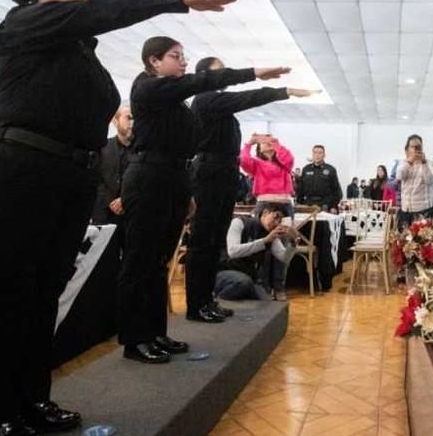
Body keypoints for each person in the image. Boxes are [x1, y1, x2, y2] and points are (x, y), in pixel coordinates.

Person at [0, 0, 237, 436]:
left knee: (43, 297)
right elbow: (99, 11)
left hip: (68, 176)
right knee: (4, 297)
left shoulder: (74, 50)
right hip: (21, 172)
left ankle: (32, 398)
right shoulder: (22, 24)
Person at [119, 36, 289, 363]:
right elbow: (205, 80)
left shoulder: (174, 99)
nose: (183, 62)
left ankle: (155, 333)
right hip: (149, 177)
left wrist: (186, 190)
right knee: (140, 261)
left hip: (172, 177)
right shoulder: (148, 88)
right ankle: (134, 338)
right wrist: (255, 73)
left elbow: (185, 147)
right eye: (175, 56)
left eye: (184, 56)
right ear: (154, 61)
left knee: (158, 262)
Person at [187, 57, 311, 324]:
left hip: (221, 173)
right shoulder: (206, 99)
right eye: (221, 71)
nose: (227, 75)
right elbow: (247, 98)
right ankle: (197, 303)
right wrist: (283, 92)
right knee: (204, 242)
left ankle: (206, 300)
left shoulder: (214, 103)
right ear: (206, 75)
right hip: (209, 174)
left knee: (214, 241)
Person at [240, 133, 296, 300]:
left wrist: (276, 143)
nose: (267, 145)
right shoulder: (256, 164)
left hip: (285, 205)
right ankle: (264, 286)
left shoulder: (285, 164)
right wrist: (249, 143)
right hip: (264, 205)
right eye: (263, 143)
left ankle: (279, 286)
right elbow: (243, 160)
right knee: (263, 246)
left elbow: (289, 159)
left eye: (270, 142)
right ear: (259, 148)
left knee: (283, 246)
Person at [215, 203, 295, 301]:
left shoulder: (270, 235)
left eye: (280, 221)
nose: (276, 223)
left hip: (250, 276)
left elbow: (284, 258)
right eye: (276, 217)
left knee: (269, 303)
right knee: (242, 282)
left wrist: (293, 243)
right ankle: (217, 301)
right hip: (224, 270)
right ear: (265, 213)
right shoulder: (240, 222)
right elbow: (233, 252)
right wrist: (264, 241)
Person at [91, 106, 132, 226]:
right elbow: (95, 178)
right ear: (115, 121)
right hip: (102, 216)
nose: (132, 123)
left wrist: (125, 200)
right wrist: (110, 201)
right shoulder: (102, 147)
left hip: (131, 217)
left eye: (135, 119)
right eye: (128, 118)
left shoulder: (142, 152)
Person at [396, 134, 433, 229]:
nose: (416, 149)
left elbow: (430, 181)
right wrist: (410, 162)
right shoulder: (403, 163)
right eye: (413, 146)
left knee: (423, 242)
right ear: (407, 150)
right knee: (405, 241)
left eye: (418, 146)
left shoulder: (428, 163)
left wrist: (423, 163)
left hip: (424, 210)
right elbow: (399, 176)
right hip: (406, 210)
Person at [297, 145, 342, 212]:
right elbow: (300, 189)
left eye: (320, 153)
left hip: (325, 205)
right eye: (315, 153)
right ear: (312, 154)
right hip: (308, 205)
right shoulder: (306, 169)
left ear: (324, 155)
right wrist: (299, 203)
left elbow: (336, 191)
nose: (317, 155)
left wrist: (334, 206)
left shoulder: (330, 169)